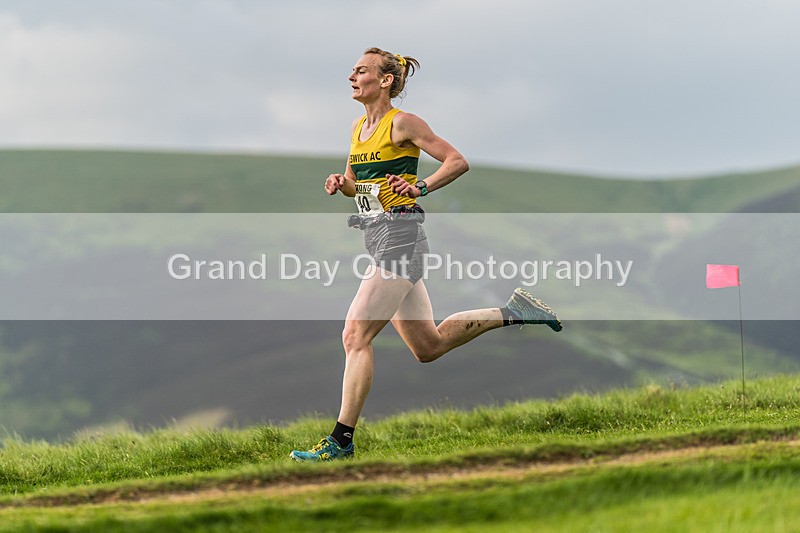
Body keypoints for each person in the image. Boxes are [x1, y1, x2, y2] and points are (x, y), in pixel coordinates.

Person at [290, 47, 562, 462]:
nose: (351, 76)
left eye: (360, 70)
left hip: (401, 236)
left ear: (384, 81)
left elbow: (457, 161)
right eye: (352, 70)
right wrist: (338, 184)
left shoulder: (405, 123)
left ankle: (340, 440)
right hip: (377, 236)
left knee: (355, 335)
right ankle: (515, 311)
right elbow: (355, 183)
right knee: (428, 346)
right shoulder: (358, 128)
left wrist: (421, 187)